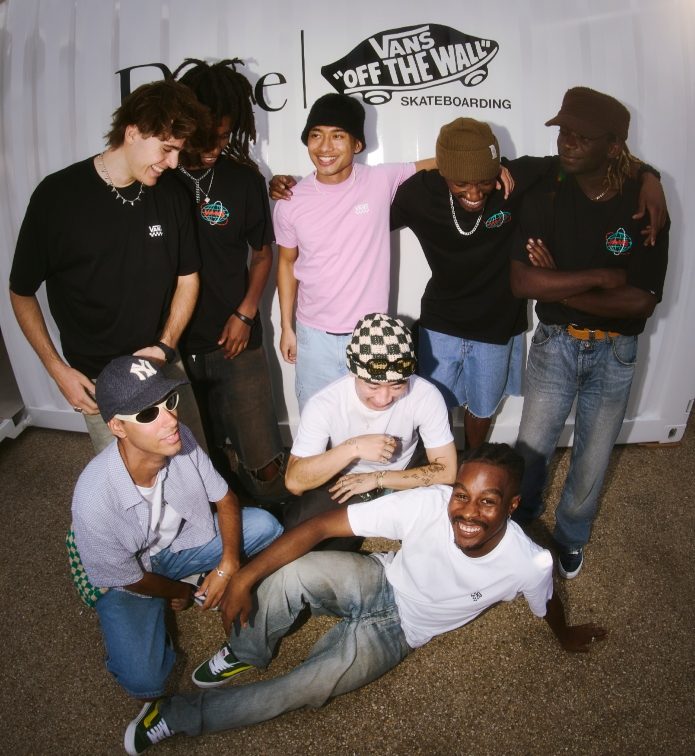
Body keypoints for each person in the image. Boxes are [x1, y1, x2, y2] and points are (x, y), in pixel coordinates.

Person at [123, 442, 606, 754]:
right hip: (380, 577)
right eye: (461, 494)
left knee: (305, 687)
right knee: (291, 574)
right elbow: (320, 527)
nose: (467, 512)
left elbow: (546, 602)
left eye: (488, 501)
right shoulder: (428, 504)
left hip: (403, 632)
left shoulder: (529, 562)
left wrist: (564, 635)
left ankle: (175, 715)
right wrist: (244, 577)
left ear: (512, 506)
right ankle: (247, 650)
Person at [390, 117, 669, 450]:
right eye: (461, 183)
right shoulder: (418, 193)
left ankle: (475, 462)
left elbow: (579, 162)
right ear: (443, 172)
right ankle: (440, 468)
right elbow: (366, 208)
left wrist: (649, 176)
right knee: (432, 406)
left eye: (484, 181)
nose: (474, 193)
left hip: (497, 324)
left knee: (483, 408)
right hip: (440, 322)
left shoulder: (518, 177)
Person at [510, 87, 669, 579]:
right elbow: (523, 282)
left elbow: (641, 300)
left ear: (614, 145)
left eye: (582, 135)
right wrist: (599, 278)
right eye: (563, 131)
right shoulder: (546, 187)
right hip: (555, 343)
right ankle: (520, 522)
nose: (568, 142)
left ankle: (571, 536)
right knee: (531, 448)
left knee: (594, 456)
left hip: (616, 352)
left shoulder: (644, 203)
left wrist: (560, 286)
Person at [9, 80, 209, 452]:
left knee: (195, 463)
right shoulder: (57, 197)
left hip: (162, 364)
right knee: (131, 481)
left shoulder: (172, 193)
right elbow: (21, 292)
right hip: (100, 379)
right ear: (132, 133)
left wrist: (165, 346)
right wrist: (57, 370)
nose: (173, 163)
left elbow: (188, 277)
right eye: (167, 149)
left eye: (179, 151)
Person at [71, 355, 283, 701]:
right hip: (130, 576)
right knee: (145, 683)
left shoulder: (180, 436)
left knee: (266, 525)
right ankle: (162, 606)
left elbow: (225, 499)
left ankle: (189, 580)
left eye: (169, 401)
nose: (170, 419)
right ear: (118, 427)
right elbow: (128, 578)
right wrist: (177, 592)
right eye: (147, 414)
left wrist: (228, 565)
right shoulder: (92, 498)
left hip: (181, 542)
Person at [170, 58, 288, 503]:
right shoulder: (159, 178)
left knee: (264, 461)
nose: (217, 147)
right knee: (198, 461)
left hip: (237, 340)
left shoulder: (243, 180)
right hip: (175, 347)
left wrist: (246, 312)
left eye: (225, 135)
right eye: (209, 136)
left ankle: (276, 527)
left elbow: (262, 254)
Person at [273, 93, 435, 411]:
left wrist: (491, 166)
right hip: (313, 336)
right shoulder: (290, 201)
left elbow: (440, 162)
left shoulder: (380, 180)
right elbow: (286, 263)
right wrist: (286, 327)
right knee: (316, 421)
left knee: (371, 418)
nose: (325, 147)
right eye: (316, 135)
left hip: (370, 335)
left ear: (357, 144)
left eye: (338, 136)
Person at [282, 312, 457, 550]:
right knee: (299, 532)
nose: (384, 398)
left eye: (397, 384)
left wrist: (377, 479)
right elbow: (294, 482)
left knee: (446, 529)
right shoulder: (324, 403)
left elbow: (448, 471)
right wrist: (353, 448)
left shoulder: (426, 394)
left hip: (406, 471)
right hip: (346, 479)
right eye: (373, 385)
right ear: (353, 372)